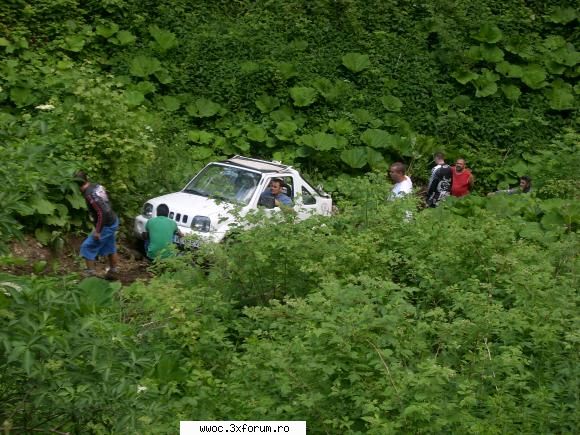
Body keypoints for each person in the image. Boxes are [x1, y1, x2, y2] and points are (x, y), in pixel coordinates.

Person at [75, 171, 119, 280]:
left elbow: (101, 212)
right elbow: (106, 202)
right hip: (113, 220)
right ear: (86, 179)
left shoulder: (89, 195)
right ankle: (113, 271)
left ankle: (90, 273)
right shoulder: (97, 186)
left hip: (106, 224)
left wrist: (98, 231)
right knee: (110, 246)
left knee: (87, 246)